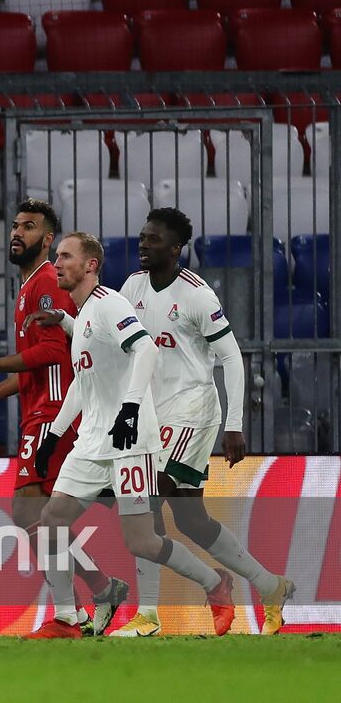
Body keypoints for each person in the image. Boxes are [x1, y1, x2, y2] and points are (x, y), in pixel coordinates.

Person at [24, 232, 235, 639]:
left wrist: (131, 409)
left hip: (130, 442)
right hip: (91, 442)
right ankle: (68, 618)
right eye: (55, 257)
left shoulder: (109, 304)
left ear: (90, 265)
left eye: (65, 256)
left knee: (142, 541)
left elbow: (147, 351)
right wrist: (55, 434)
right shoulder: (82, 313)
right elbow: (85, 382)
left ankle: (215, 584)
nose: (56, 264)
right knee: (50, 522)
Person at [116, 208, 293, 637]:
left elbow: (231, 357)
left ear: (176, 249)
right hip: (152, 414)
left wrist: (235, 423)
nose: (143, 244)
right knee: (192, 519)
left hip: (192, 411)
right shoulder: (131, 287)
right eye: (142, 237)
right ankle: (270, 586)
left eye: (153, 239)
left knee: (148, 498)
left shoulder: (197, 295)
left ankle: (149, 615)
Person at [0, 199, 126, 635]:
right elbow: (43, 364)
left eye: (30, 227)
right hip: (42, 409)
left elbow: (55, 354)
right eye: (15, 225)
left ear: (49, 238)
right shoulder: (30, 286)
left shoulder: (46, 285)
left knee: (28, 512)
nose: (17, 232)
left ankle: (73, 610)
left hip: (54, 413)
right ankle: (85, 602)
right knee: (40, 518)